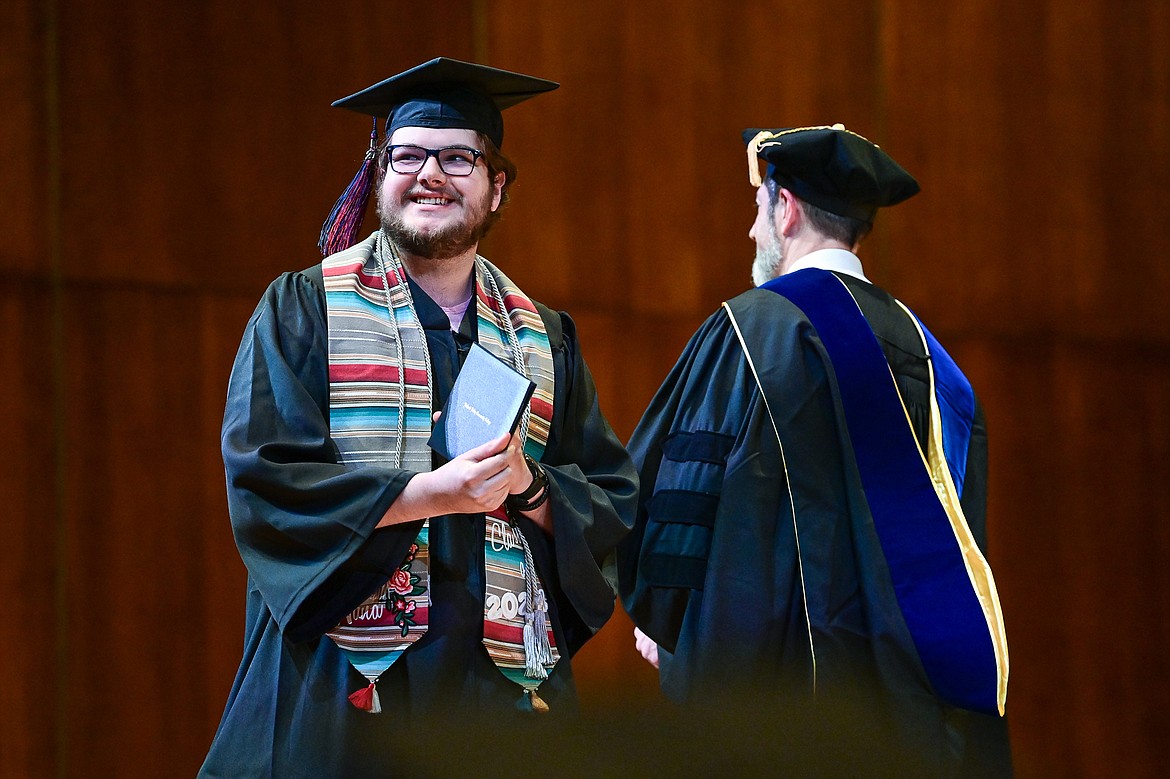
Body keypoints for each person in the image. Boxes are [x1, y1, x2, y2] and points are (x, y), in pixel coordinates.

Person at [200, 58, 637, 777]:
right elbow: (266, 484)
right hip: (344, 688)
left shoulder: (543, 336)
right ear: (379, 174)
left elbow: (611, 501)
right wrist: (430, 495)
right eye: (407, 154)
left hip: (500, 694)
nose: (430, 173)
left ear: (496, 187)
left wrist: (528, 487)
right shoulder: (305, 310)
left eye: (459, 157)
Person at [617, 125, 1012, 776]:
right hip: (910, 711)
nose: (752, 232)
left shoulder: (752, 331)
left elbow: (671, 501)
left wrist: (675, 630)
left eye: (757, 209)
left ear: (786, 208)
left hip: (778, 706)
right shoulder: (939, 365)